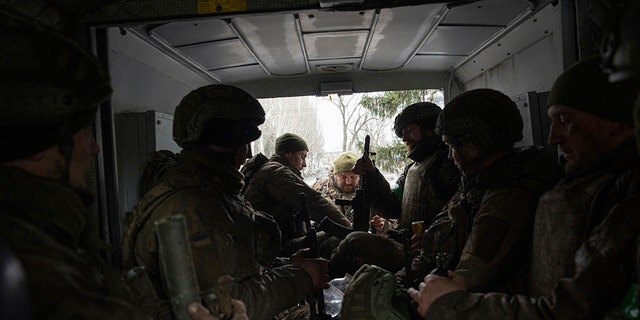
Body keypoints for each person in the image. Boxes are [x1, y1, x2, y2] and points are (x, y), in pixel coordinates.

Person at [0, 11, 240, 320]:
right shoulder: (38, 268)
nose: (94, 147)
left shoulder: (51, 236)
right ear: (34, 146)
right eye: (84, 131)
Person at [409, 55, 640, 319]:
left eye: (565, 119)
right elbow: (532, 279)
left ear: (616, 120)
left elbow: (575, 309)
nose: (552, 137)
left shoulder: (622, 197)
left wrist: (453, 304)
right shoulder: (575, 183)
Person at [121, 85, 330, 320]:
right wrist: (301, 277)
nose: (249, 155)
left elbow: (235, 265)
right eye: (245, 144)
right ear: (224, 143)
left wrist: (288, 266)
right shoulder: (192, 205)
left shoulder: (213, 191)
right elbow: (222, 308)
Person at [329, 102, 461, 278]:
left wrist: (430, 239)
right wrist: (372, 175)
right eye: (403, 132)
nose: (404, 138)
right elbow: (392, 207)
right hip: (405, 244)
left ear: (430, 128)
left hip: (427, 252)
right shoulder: (412, 169)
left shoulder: (447, 165)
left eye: (410, 130)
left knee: (354, 241)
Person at [243, 132, 352, 257]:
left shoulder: (268, 170)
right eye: (302, 156)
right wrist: (349, 227)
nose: (304, 164)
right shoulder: (276, 173)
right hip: (275, 249)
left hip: (271, 244)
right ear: (287, 153)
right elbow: (313, 202)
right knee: (340, 239)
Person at [311, 151, 360, 221]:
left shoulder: (369, 191)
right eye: (343, 177)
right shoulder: (319, 187)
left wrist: (379, 226)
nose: (348, 182)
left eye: (353, 177)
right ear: (334, 175)